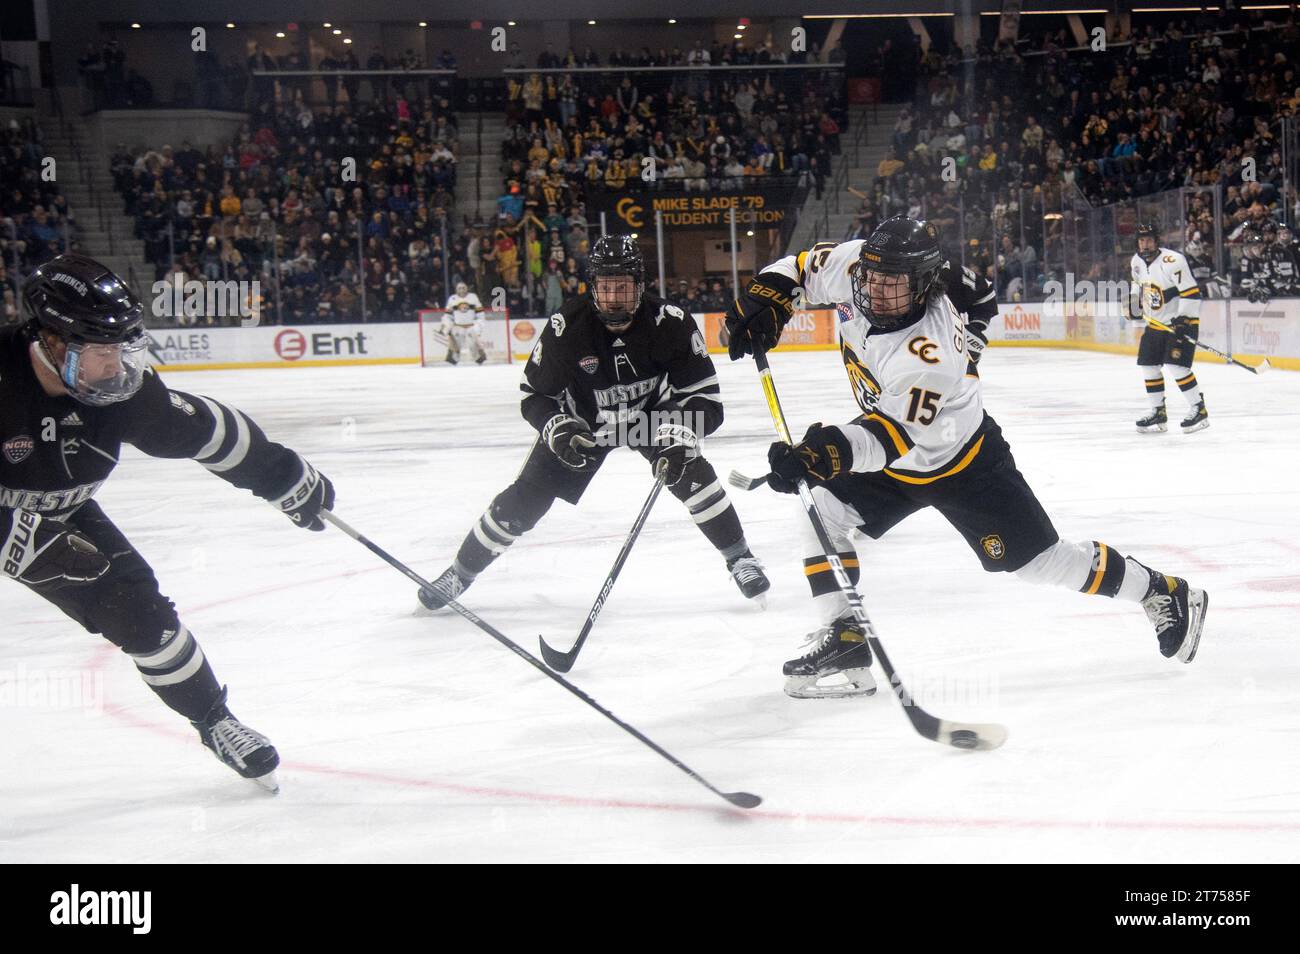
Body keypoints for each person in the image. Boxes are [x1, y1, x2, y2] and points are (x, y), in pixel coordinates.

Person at [723, 216, 1207, 699]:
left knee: (1039, 564)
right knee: (821, 510)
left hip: (963, 461)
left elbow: (890, 437)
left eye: (892, 283)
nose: (875, 290)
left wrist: (825, 453)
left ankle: (1160, 590)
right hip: (895, 453)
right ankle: (844, 637)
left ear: (927, 285)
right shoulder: (860, 265)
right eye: (871, 277)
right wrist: (768, 300)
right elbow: (801, 267)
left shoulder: (928, 352)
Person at [1, 255, 335, 790]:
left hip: (61, 510)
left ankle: (215, 721)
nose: (116, 365)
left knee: (143, 615)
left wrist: (282, 477)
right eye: (102, 351)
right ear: (53, 342)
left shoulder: (117, 392)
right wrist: (22, 541)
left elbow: (204, 430)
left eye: (122, 349)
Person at [417, 235, 770, 612]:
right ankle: (460, 572)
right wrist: (559, 429)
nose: (615, 297)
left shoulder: (671, 323)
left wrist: (681, 430)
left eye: (623, 287)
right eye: (606, 287)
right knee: (526, 500)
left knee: (693, 474)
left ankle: (741, 558)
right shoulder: (566, 327)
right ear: (593, 288)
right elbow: (534, 395)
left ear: (640, 285)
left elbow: (707, 399)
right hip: (584, 424)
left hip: (652, 419)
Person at [1129, 223, 1207, 434]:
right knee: (1149, 365)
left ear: (1156, 241)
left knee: (1177, 367)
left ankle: (1199, 409)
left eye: (1149, 240)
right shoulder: (1136, 261)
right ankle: (1158, 412)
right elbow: (1137, 284)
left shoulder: (1173, 260)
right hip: (1155, 323)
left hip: (1181, 323)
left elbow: (1190, 293)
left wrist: (1184, 319)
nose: (1145, 244)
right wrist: (1134, 304)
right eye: (1141, 240)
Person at [439, 281, 487, 365]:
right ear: (456, 289)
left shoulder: (473, 297)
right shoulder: (452, 299)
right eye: (459, 288)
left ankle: (481, 361)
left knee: (474, 347)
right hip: (458, 327)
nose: (461, 290)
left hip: (471, 326)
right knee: (455, 348)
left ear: (467, 288)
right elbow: (447, 316)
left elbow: (480, 314)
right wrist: (446, 326)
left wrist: (478, 326)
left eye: (463, 288)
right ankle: (452, 363)